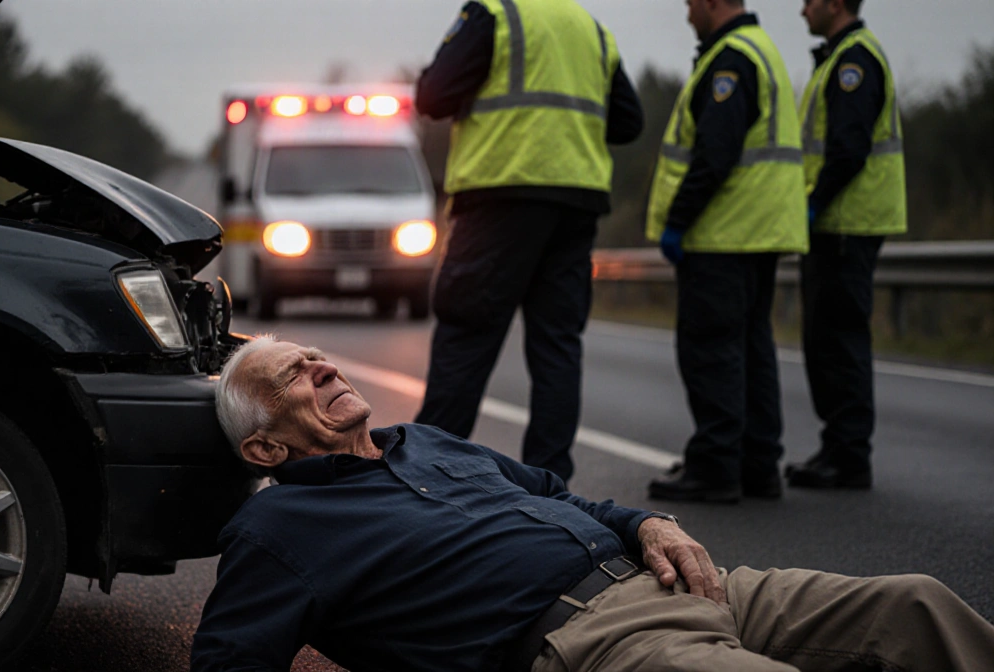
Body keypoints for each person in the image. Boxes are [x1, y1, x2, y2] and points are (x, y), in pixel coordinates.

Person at [189, 336, 994, 671]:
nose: (323, 368)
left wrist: (647, 520)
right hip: (588, 640)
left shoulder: (429, 442)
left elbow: (556, 493)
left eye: (316, 356)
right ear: (264, 449)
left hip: (689, 583)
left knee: (917, 604)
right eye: (293, 376)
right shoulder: (279, 528)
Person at [412, 0, 645, 485]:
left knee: (467, 333)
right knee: (557, 345)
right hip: (576, 203)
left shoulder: (494, 13)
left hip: (501, 195)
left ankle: (426, 476)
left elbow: (433, 95)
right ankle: (550, 482)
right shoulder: (591, 29)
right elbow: (629, 121)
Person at [644, 0, 808, 504]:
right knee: (751, 348)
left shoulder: (730, 60)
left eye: (692, 1)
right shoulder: (760, 50)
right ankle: (757, 466)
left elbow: (715, 152)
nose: (686, 10)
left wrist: (678, 221)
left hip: (724, 233)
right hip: (757, 231)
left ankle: (715, 467)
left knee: (711, 349)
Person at [785, 0, 906, 490]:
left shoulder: (854, 61)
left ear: (834, 4)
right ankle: (837, 447)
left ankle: (850, 455)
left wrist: (813, 203)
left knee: (839, 338)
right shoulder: (839, 57)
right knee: (826, 337)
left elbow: (848, 148)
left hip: (845, 223)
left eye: (809, 1)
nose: (801, 10)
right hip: (837, 224)